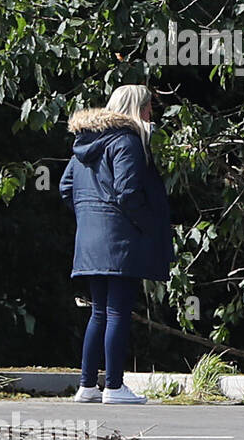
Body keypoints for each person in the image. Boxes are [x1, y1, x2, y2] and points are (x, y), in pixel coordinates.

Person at [60, 85, 173, 404]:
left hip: (90, 239)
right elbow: (127, 192)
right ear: (137, 109)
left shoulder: (84, 141)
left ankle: (86, 386)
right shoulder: (127, 141)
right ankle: (113, 386)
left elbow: (66, 187)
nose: (152, 114)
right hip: (121, 238)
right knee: (118, 311)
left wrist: (90, 217)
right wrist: (147, 226)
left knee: (98, 312)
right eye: (149, 108)